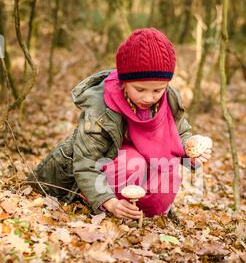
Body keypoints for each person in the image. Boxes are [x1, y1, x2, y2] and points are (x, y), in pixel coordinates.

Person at [27, 28, 212, 220]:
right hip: (104, 171)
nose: (149, 98)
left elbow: (181, 134)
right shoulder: (101, 108)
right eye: (139, 89)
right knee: (133, 164)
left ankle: (141, 212)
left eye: (157, 90)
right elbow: (86, 163)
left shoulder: (169, 99)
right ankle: (106, 205)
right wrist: (110, 202)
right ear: (124, 82)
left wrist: (192, 157)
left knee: (168, 171)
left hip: (144, 164)